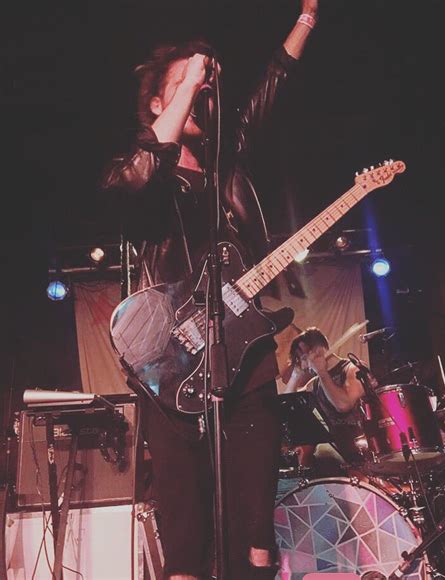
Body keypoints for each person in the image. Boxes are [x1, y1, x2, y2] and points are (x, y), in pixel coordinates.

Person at [101, 2, 319, 579]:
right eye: (184, 89)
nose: (200, 95)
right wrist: (189, 76)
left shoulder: (227, 164)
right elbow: (134, 178)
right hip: (171, 359)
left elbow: (270, 90)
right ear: (158, 104)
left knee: (255, 530)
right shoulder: (142, 173)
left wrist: (306, 19)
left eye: (204, 89)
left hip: (244, 355)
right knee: (186, 530)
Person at [286, 326, 377, 469]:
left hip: (363, 449)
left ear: (318, 351)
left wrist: (322, 372)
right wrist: (296, 374)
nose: (304, 365)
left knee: (323, 452)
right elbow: (289, 404)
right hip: (337, 451)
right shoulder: (316, 383)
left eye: (304, 358)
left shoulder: (352, 369)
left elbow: (343, 405)